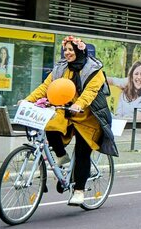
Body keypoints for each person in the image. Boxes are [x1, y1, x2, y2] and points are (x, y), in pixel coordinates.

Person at [22, 36, 118, 205]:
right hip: (67, 113)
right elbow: (46, 87)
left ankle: (79, 191)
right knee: (49, 126)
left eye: (70, 50)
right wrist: (27, 100)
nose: (67, 53)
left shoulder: (94, 71)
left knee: (82, 151)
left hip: (88, 117)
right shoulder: (60, 69)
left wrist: (79, 104)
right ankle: (61, 156)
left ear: (79, 51)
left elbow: (90, 92)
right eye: (65, 50)